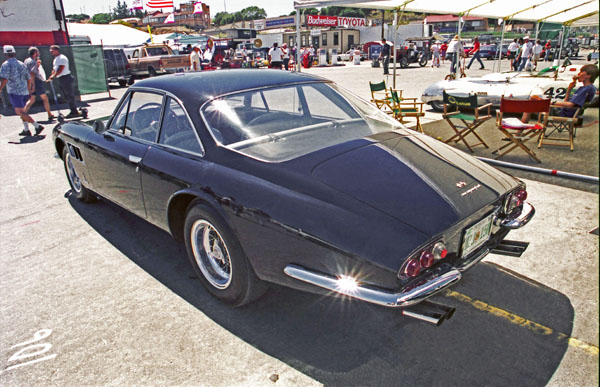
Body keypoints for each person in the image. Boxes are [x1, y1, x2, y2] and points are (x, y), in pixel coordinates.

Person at [521, 64, 598, 123]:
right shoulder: (586, 88)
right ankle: (522, 133)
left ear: (588, 75)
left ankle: (519, 134)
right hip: (563, 111)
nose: (578, 74)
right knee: (532, 100)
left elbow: (570, 105)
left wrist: (551, 102)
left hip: (562, 114)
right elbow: (567, 102)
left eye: (581, 72)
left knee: (529, 106)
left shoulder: (587, 89)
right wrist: (569, 90)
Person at [0, 45, 44, 136]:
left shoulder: (5, 65)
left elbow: (4, 79)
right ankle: (26, 129)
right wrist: (29, 89)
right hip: (24, 91)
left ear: (5, 54)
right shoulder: (21, 63)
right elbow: (28, 78)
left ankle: (37, 126)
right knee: (23, 111)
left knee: (19, 112)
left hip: (14, 92)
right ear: (14, 53)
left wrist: (0, 89)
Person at [46, 45, 79, 118]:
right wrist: (51, 77)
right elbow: (54, 69)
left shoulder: (62, 58)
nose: (51, 52)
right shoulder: (55, 59)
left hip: (66, 78)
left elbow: (60, 69)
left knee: (69, 95)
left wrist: (53, 76)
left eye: (52, 51)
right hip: (61, 78)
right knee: (66, 95)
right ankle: (72, 110)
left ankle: (74, 111)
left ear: (56, 50)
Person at [23, 47, 54, 121]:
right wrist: (33, 85)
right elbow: (32, 73)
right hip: (35, 82)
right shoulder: (33, 61)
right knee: (45, 98)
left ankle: (23, 113)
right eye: (37, 52)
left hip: (30, 81)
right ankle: (49, 114)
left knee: (32, 100)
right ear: (34, 53)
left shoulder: (26, 60)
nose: (39, 53)